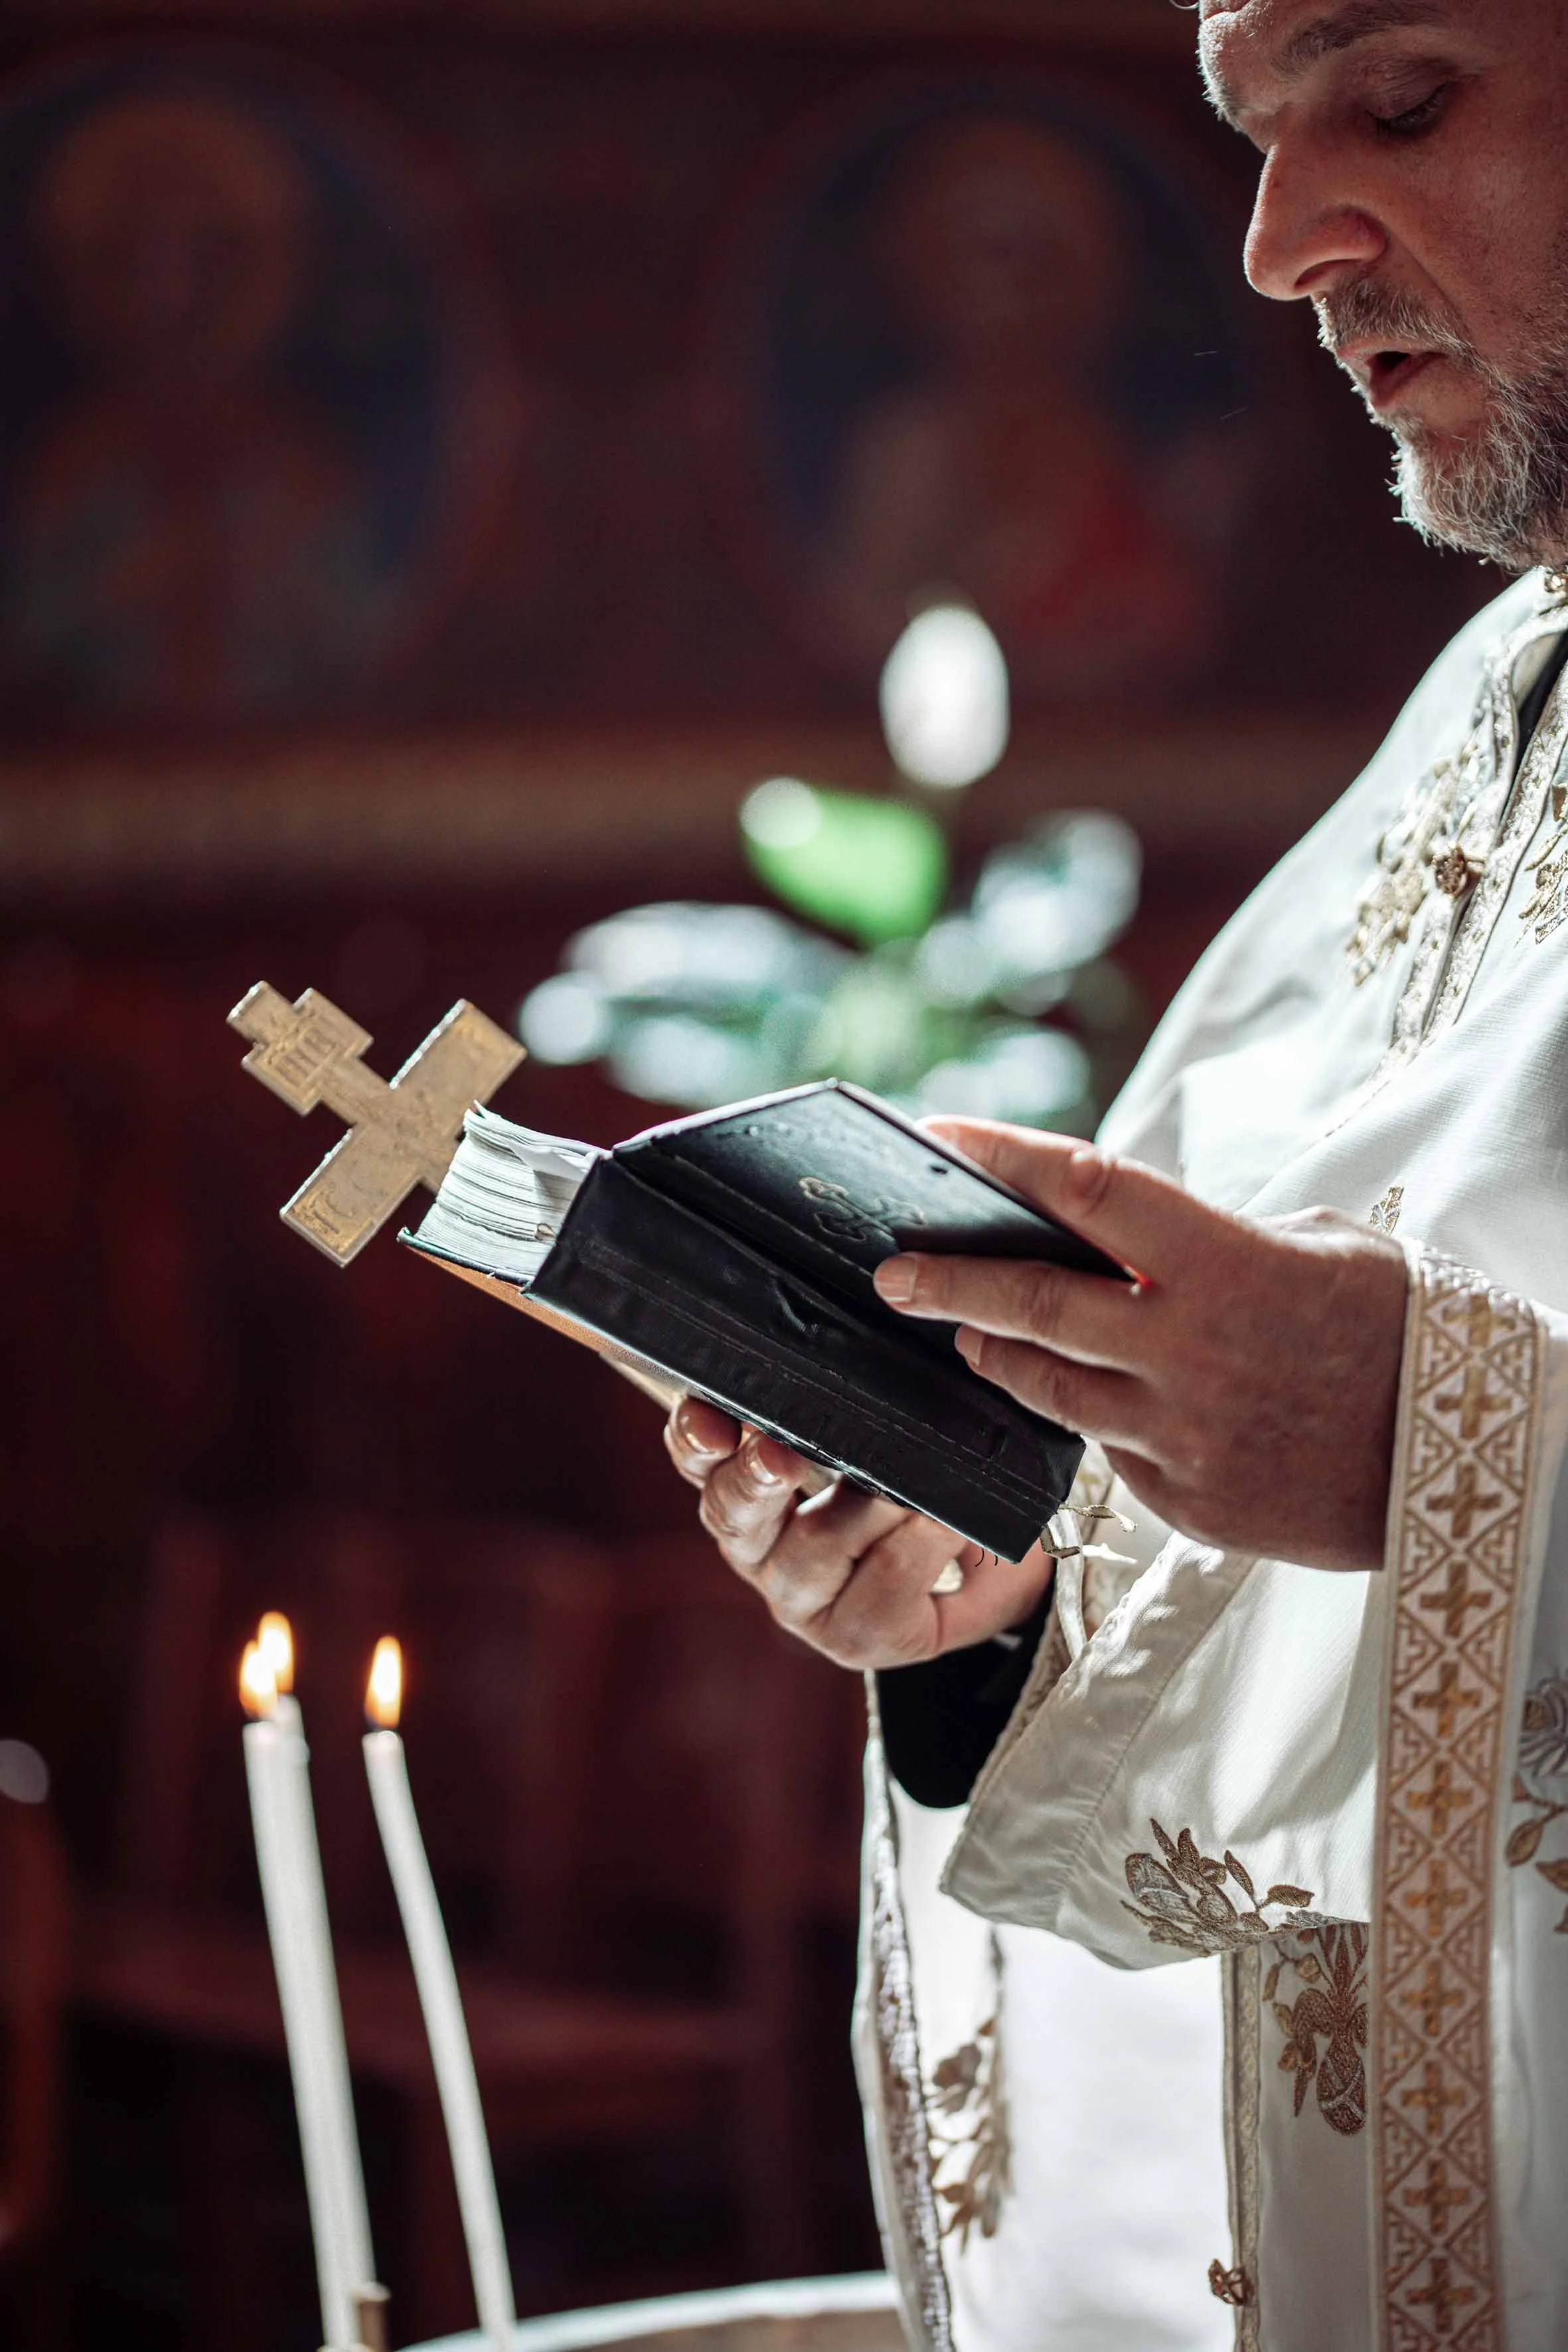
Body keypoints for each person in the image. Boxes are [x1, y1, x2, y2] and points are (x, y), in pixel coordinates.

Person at [666, 5, 1568, 2347]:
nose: (1284, 247)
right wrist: (1006, 1577)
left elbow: (1410, 1428)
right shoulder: (1486, 714)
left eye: (1401, 102)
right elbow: (1186, 1516)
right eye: (1258, 144)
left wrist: (1451, 1451)